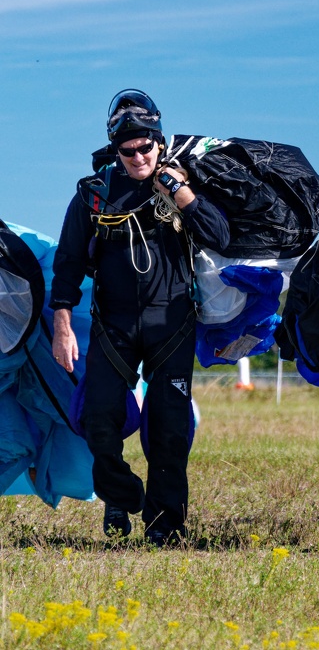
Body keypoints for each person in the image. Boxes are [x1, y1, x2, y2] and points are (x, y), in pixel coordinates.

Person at [50, 89, 230, 545]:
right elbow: (69, 263)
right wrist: (62, 323)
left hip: (173, 323)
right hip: (115, 325)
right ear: (115, 149)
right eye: (127, 150)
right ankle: (119, 494)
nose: (137, 157)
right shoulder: (94, 194)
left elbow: (220, 236)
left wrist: (181, 192)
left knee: (170, 430)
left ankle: (165, 528)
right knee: (98, 418)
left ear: (158, 140)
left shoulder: (181, 181)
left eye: (145, 147)